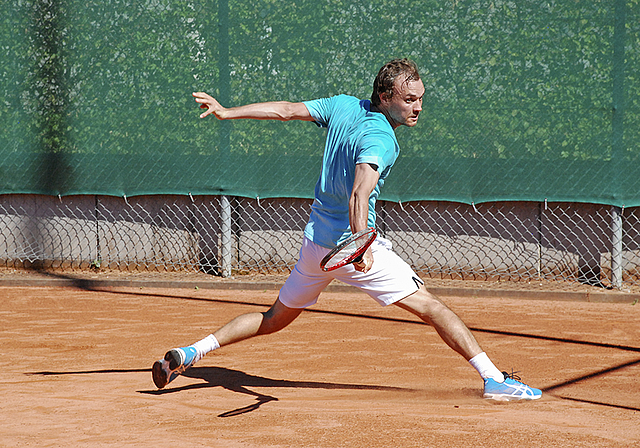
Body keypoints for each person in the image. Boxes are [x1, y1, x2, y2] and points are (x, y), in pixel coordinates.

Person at [152, 58, 542, 401]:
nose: (418, 107)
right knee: (433, 308)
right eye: (410, 100)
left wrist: (227, 112)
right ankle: (494, 380)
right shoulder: (381, 137)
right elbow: (359, 194)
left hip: (316, 245)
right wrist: (361, 244)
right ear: (385, 96)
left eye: (421, 98)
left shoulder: (341, 106)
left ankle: (191, 352)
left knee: (273, 319)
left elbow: (287, 110)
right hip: (351, 248)